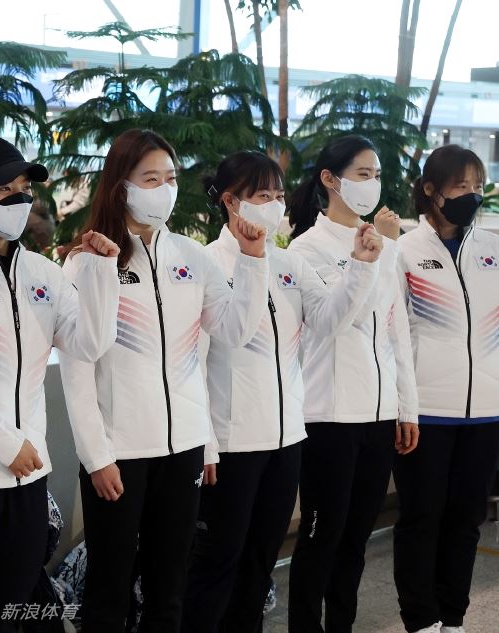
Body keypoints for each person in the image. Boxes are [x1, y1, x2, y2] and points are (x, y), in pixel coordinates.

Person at [59, 129, 270, 633]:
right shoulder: (88, 261)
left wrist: (253, 259)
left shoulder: (192, 257)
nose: (165, 189)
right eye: (150, 179)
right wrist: (96, 456)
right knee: (109, 590)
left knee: (169, 588)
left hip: (184, 450)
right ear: (121, 186)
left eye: (171, 178)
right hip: (120, 454)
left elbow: (234, 332)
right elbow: (77, 368)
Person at [182, 151, 383, 633]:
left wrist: (361, 265)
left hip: (287, 438)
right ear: (230, 202)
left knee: (261, 563)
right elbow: (193, 361)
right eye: (261, 196)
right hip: (231, 444)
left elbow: (330, 320)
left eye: (277, 194)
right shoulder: (207, 263)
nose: (273, 205)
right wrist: (205, 443)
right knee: (217, 565)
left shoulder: (288, 262)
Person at [0, 137, 120, 632]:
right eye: (3, 190)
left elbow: (90, 344)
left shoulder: (43, 274)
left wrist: (101, 274)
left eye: (23, 188)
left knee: (8, 612)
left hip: (29, 478)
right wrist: (6, 445)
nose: (19, 199)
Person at [285, 135, 420, 633]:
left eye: (376, 175)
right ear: (330, 179)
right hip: (330, 415)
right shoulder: (307, 249)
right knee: (322, 538)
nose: (372, 184)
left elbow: (396, 331)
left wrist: (407, 408)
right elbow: (334, 323)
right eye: (363, 174)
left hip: (378, 414)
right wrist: (370, 258)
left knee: (356, 541)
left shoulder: (386, 246)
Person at [392, 145, 499, 633]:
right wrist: (405, 407)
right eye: (461, 186)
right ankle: (422, 620)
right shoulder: (404, 251)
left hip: (486, 412)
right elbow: (395, 336)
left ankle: (453, 619)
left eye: (477, 186)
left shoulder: (491, 248)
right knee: (422, 519)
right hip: (427, 413)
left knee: (466, 520)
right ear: (431, 190)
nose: (471, 195)